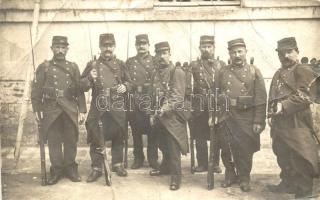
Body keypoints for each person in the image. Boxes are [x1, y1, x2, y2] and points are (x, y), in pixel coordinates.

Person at [267, 37, 319, 199]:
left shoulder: (302, 70)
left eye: (289, 52)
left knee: (300, 153)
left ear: (297, 52)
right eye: (282, 53)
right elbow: (273, 96)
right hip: (280, 121)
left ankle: (305, 190)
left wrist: (284, 105)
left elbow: (306, 95)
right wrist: (270, 112)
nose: (286, 56)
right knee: (282, 152)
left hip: (297, 120)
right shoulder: (278, 73)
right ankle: (288, 183)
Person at [31, 36, 87, 185]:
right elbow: (36, 90)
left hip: (69, 107)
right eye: (57, 47)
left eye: (63, 48)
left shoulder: (73, 67)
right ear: (52, 49)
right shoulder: (44, 67)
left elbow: (79, 90)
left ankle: (70, 169)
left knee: (71, 140)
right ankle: (56, 169)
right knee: (54, 141)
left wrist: (82, 110)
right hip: (51, 109)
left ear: (67, 49)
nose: (60, 50)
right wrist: (37, 108)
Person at [215, 38, 267, 192]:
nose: (237, 55)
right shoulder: (222, 71)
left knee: (245, 149)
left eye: (240, 51)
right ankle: (230, 174)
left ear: (245, 52)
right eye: (233, 52)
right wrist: (215, 114)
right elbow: (216, 94)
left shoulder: (254, 71)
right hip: (226, 115)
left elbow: (261, 98)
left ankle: (244, 177)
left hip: (246, 116)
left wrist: (258, 120)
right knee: (226, 146)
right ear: (229, 54)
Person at [80, 33, 131, 182]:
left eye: (110, 45)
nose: (107, 48)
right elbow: (81, 85)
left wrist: (125, 86)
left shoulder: (121, 64)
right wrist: (90, 77)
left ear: (114, 47)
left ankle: (117, 164)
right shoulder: (92, 65)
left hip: (116, 106)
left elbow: (131, 83)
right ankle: (96, 167)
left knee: (118, 135)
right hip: (99, 107)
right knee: (96, 136)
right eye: (104, 46)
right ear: (100, 47)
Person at [149, 41, 191, 190]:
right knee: (162, 144)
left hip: (173, 117)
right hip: (159, 116)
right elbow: (153, 94)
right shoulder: (155, 72)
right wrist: (152, 112)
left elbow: (177, 96)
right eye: (159, 53)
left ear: (170, 54)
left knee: (173, 148)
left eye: (164, 53)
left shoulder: (177, 72)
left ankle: (176, 177)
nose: (161, 56)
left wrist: (163, 109)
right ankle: (165, 168)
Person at [190, 35, 225, 173]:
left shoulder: (221, 64)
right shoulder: (194, 65)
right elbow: (189, 85)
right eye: (204, 47)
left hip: (215, 105)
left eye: (209, 47)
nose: (206, 49)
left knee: (216, 136)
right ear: (199, 48)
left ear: (214, 48)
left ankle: (215, 163)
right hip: (199, 105)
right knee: (199, 136)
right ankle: (202, 163)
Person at [126, 34, 159, 169]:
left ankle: (153, 157)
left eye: (144, 43)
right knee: (136, 130)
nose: (141, 46)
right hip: (135, 98)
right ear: (136, 46)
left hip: (150, 98)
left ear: (148, 45)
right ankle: (138, 157)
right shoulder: (130, 62)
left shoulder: (155, 60)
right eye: (139, 44)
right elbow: (127, 79)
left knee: (153, 130)